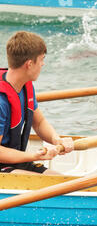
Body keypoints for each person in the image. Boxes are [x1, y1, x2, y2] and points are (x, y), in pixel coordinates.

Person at [0, 31, 73, 175]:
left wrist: (56, 139)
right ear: (29, 64)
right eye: (41, 59)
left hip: (17, 162)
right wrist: (34, 156)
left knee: (59, 180)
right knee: (47, 186)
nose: (43, 64)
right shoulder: (1, 101)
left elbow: (39, 123)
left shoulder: (25, 86)